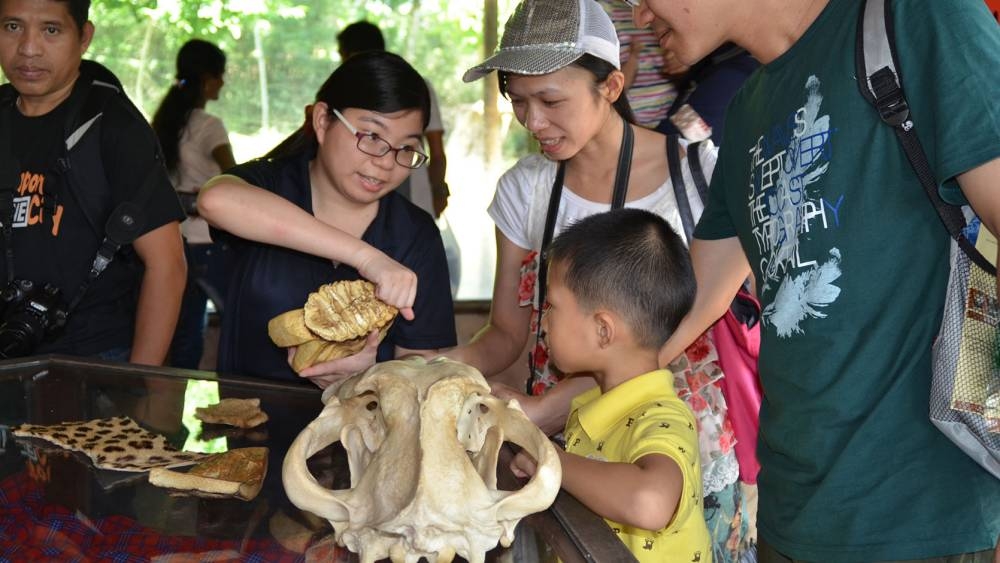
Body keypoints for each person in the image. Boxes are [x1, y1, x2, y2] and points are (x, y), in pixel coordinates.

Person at [631, 0, 1000, 561]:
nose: (638, 16)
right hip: (790, 516)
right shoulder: (749, 105)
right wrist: (542, 411)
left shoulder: (915, 17)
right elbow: (682, 309)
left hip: (917, 519)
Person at [453, 0, 753, 559]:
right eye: (517, 100)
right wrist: (426, 368)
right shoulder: (527, 190)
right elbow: (505, 335)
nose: (532, 121)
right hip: (569, 452)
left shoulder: (699, 175)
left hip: (678, 454)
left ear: (612, 85)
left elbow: (661, 344)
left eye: (550, 100)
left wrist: (550, 408)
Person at [198, 50, 456, 389]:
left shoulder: (414, 234)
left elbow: (420, 361)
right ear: (323, 121)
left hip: (363, 435)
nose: (386, 162)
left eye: (405, 147)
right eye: (372, 136)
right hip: (251, 427)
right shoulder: (273, 185)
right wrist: (367, 258)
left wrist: (368, 377)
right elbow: (215, 200)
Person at [511, 208, 710, 561]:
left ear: (603, 329)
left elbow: (650, 501)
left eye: (552, 307)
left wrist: (552, 463)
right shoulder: (592, 404)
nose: (543, 323)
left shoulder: (663, 417)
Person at [0, 0, 186, 365]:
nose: (29, 48)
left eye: (51, 30)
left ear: (84, 37)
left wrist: (139, 381)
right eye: (12, 27)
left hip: (93, 360)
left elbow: (168, 265)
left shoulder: (114, 126)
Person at [151, 39, 236, 370]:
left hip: (176, 240)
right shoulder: (208, 126)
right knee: (234, 325)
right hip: (210, 243)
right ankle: (233, 407)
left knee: (184, 332)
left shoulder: (165, 122)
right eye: (221, 75)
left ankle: (171, 413)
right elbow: (235, 176)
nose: (223, 83)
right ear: (206, 78)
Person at [597, 0, 676, 129]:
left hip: (671, 108)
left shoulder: (656, 9)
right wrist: (633, 59)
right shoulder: (601, 11)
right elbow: (613, 84)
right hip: (636, 118)